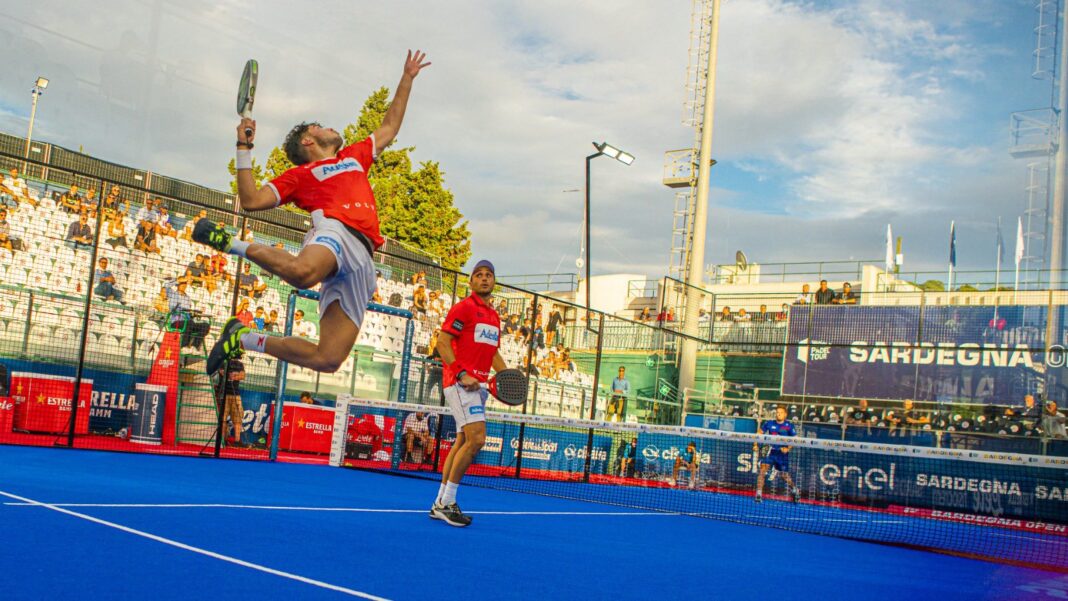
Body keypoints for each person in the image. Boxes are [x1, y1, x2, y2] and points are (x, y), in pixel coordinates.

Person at [194, 50, 430, 379]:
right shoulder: (300, 176)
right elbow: (249, 199)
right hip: (336, 232)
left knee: (328, 359)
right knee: (304, 274)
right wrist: (243, 146)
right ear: (309, 139)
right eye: (321, 125)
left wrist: (407, 77)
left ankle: (241, 338)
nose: (331, 126)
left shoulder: (354, 156)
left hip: (363, 258)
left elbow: (390, 126)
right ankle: (229, 242)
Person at [430, 260, 507, 527]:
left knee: (464, 439)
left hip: (480, 387)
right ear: (471, 282)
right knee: (476, 439)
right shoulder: (463, 308)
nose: (484, 279)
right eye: (479, 275)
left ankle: (439, 500)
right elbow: (443, 342)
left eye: (489, 275)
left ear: (493, 281)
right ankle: (446, 503)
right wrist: (462, 373)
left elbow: (492, 352)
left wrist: (506, 376)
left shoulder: (494, 317)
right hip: (460, 383)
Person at [754, 406, 801, 503]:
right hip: (770, 452)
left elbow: (794, 440)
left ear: (785, 414)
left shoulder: (789, 426)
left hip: (782, 455)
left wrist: (788, 448)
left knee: (784, 476)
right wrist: (755, 445)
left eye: (781, 412)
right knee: (762, 471)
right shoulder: (769, 423)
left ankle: (795, 489)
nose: (778, 414)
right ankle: (758, 494)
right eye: (777, 412)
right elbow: (759, 433)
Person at [218, 352, 247, 447]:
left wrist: (233, 376)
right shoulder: (224, 362)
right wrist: (234, 375)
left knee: (238, 417)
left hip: (236, 395)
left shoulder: (239, 364)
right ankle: (222, 439)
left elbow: (242, 376)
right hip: (224, 394)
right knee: (223, 418)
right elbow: (222, 372)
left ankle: (237, 441)